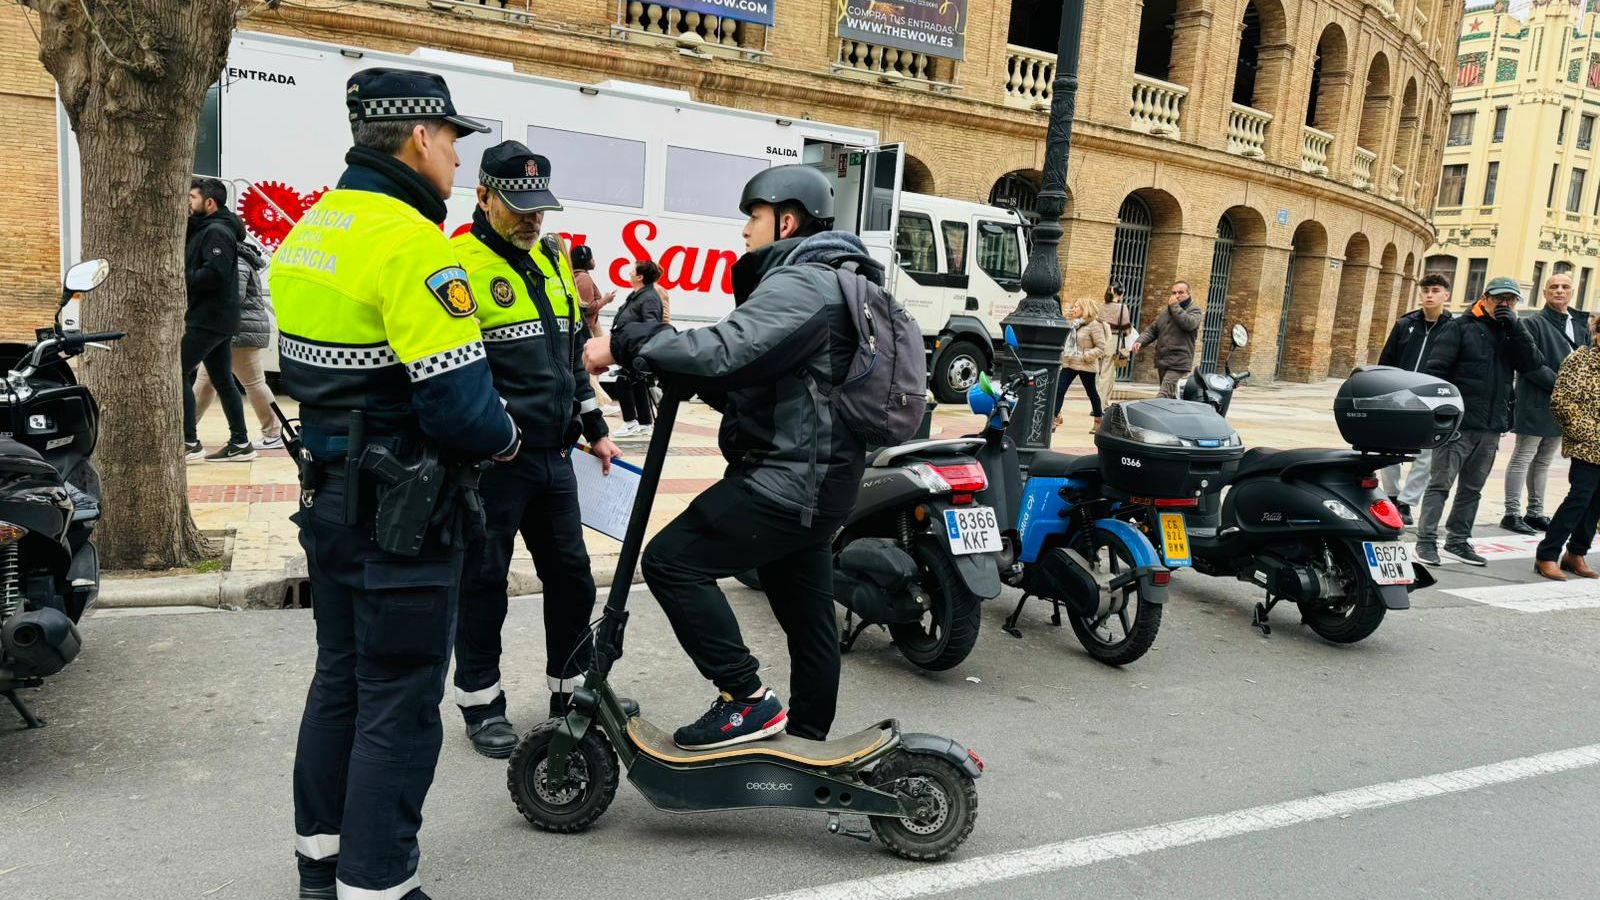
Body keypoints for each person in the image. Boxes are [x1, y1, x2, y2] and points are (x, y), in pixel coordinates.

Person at [272, 68, 517, 900]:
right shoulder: (412, 245)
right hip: (404, 518)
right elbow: (459, 406)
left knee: (339, 679)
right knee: (400, 699)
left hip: (333, 499)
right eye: (453, 140)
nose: (455, 158)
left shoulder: (311, 229)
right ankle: (378, 885)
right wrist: (509, 432)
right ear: (420, 137)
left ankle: (321, 862)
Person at [582, 164, 868, 750]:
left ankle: (746, 699)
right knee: (807, 616)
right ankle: (809, 743)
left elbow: (723, 350)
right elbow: (761, 380)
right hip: (821, 480)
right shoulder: (842, 283)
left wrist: (625, 342)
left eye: (753, 218)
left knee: (670, 562)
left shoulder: (805, 281)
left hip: (787, 481)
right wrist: (678, 370)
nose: (744, 232)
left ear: (786, 220)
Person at [446, 141, 623, 758]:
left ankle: (570, 692)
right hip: (496, 461)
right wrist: (494, 436)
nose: (531, 218)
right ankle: (480, 701)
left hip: (555, 456)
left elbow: (569, 358)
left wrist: (595, 425)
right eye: (517, 206)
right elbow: (456, 373)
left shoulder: (551, 261)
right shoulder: (457, 264)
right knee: (484, 581)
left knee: (573, 577)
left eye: (538, 207)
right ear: (484, 196)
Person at [1415, 276, 1542, 567]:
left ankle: (1458, 541)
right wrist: (1445, 419)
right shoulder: (1459, 327)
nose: (1505, 305)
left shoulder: (1511, 330)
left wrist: (1516, 326)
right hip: (1458, 426)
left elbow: (1532, 364)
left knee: (1472, 489)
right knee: (1440, 485)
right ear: (1485, 298)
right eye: (1499, 299)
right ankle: (1426, 542)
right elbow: (1436, 373)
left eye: (1511, 300)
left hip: (1491, 426)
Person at [1503, 273, 1592, 535]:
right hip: (1536, 400)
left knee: (1544, 461)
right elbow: (1530, 364)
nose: (1560, 291)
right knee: (1523, 457)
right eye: (1554, 287)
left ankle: (1535, 512)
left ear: (1572, 291)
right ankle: (1511, 512)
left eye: (1565, 287)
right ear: (1544, 292)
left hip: (1564, 406)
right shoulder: (1533, 323)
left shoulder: (1580, 324)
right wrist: (1564, 386)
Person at [183, 177, 255, 462]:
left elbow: (215, 274)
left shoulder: (216, 231)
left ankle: (189, 441)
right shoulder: (205, 228)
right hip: (216, 317)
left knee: (178, 371)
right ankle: (241, 443)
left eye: (192, 197)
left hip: (209, 317)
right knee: (223, 379)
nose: (188, 202)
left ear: (209, 203)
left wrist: (180, 280)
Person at [192, 237, 284, 449]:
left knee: (253, 383)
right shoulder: (234, 259)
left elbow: (232, 296)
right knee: (205, 382)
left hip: (237, 333)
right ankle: (185, 432)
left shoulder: (237, 262)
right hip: (232, 331)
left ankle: (274, 432)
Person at [1377, 273, 1453, 525]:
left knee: (1424, 455)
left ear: (1446, 295)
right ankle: (1391, 495)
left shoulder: (1453, 328)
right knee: (1389, 449)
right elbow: (1387, 359)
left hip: (1433, 399)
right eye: (1425, 290)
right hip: (1400, 396)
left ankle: (1407, 503)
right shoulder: (1405, 324)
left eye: (1435, 290)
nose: (1429, 295)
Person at [1535, 313, 1600, 581]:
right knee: (1579, 498)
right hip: (1587, 445)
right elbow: (1562, 402)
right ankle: (1547, 555)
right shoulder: (1580, 360)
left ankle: (1576, 553)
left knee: (1597, 503)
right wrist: (1593, 433)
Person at [610, 260, 666, 437]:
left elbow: (651, 325)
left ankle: (630, 421)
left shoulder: (648, 297)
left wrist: (641, 348)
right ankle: (645, 423)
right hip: (630, 347)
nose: (630, 273)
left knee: (623, 380)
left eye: (633, 271)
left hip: (636, 348)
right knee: (637, 382)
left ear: (640, 277)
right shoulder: (639, 294)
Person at [1131, 281, 1203, 398]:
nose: (1176, 295)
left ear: (1189, 293)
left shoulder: (1194, 311)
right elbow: (1152, 330)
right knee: (1170, 398)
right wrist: (1140, 341)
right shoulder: (1165, 313)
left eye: (1181, 292)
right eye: (1174, 293)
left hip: (1178, 362)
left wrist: (1174, 306)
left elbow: (1189, 324)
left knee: (1163, 395)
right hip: (1163, 360)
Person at [1053, 297, 1110, 432]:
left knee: (1091, 393)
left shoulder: (1094, 325)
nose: (1074, 309)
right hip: (1071, 362)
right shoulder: (1074, 324)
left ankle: (1098, 420)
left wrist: (1086, 356)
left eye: (1077, 306)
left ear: (1085, 309)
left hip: (1086, 364)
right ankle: (1054, 418)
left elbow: (1101, 347)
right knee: (1060, 390)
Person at [571, 243, 614, 339]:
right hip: (584, 331)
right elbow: (587, 308)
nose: (593, 260)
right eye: (591, 257)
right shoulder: (583, 278)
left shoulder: (577, 276)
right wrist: (605, 300)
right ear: (586, 260)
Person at [1098, 283, 1132, 396]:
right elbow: (1127, 330)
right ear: (1120, 293)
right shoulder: (1122, 307)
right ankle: (1099, 404)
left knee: (1109, 372)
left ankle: (1104, 402)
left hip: (1100, 339)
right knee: (1107, 373)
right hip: (1113, 340)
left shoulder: (1103, 306)